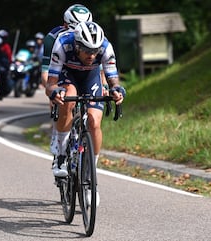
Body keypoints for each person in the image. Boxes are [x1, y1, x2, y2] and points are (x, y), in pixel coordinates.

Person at [45, 21, 126, 205]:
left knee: (94, 122)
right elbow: (50, 84)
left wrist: (116, 91)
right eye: (87, 51)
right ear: (77, 46)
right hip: (68, 75)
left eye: (95, 51)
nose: (92, 55)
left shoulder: (105, 47)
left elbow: (113, 80)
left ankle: (91, 176)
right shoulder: (63, 44)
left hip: (91, 78)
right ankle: (61, 155)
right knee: (68, 98)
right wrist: (55, 92)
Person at [41, 4, 94, 156]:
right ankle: (58, 137)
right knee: (61, 101)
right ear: (65, 25)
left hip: (86, 73)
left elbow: (102, 68)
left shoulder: (93, 36)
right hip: (62, 71)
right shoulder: (53, 39)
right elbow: (46, 73)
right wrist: (51, 92)